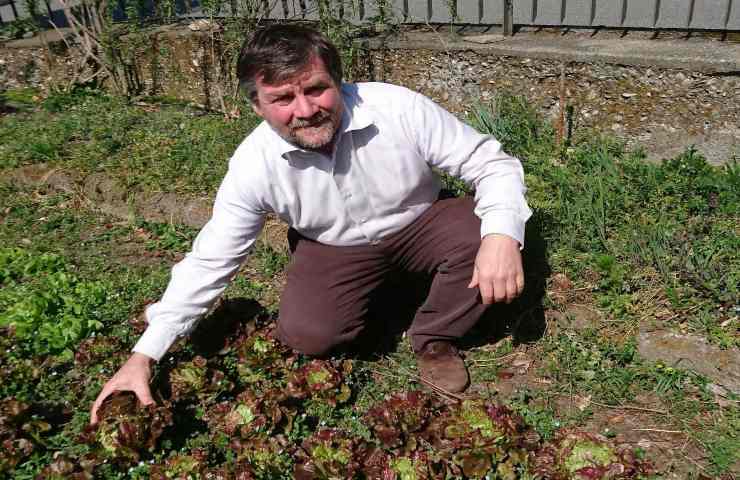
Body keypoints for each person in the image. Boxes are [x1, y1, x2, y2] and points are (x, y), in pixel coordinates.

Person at [90, 23, 532, 423]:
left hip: (422, 221)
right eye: (282, 98)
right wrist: (144, 356)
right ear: (257, 105)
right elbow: (212, 259)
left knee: (484, 233)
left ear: (338, 82)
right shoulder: (252, 167)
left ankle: (436, 336)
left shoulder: (396, 107)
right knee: (309, 335)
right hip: (334, 246)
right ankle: (387, 291)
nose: (304, 110)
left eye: (316, 89)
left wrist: (501, 237)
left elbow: (491, 165)